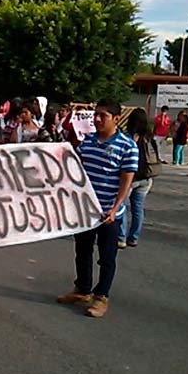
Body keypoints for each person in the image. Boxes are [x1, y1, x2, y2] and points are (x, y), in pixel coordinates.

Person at [57, 99, 138, 318]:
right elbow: (77, 172)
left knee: (106, 257)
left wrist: (115, 208)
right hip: (85, 211)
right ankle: (82, 289)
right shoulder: (87, 141)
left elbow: (126, 182)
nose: (97, 119)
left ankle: (101, 296)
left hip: (108, 214)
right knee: (82, 252)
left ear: (116, 118)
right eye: (96, 115)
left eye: (103, 115)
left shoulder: (127, 146)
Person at [118, 108, 159, 249]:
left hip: (130, 178)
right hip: (147, 177)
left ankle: (121, 237)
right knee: (138, 208)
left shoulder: (127, 137)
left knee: (121, 207)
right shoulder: (149, 136)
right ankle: (133, 238)